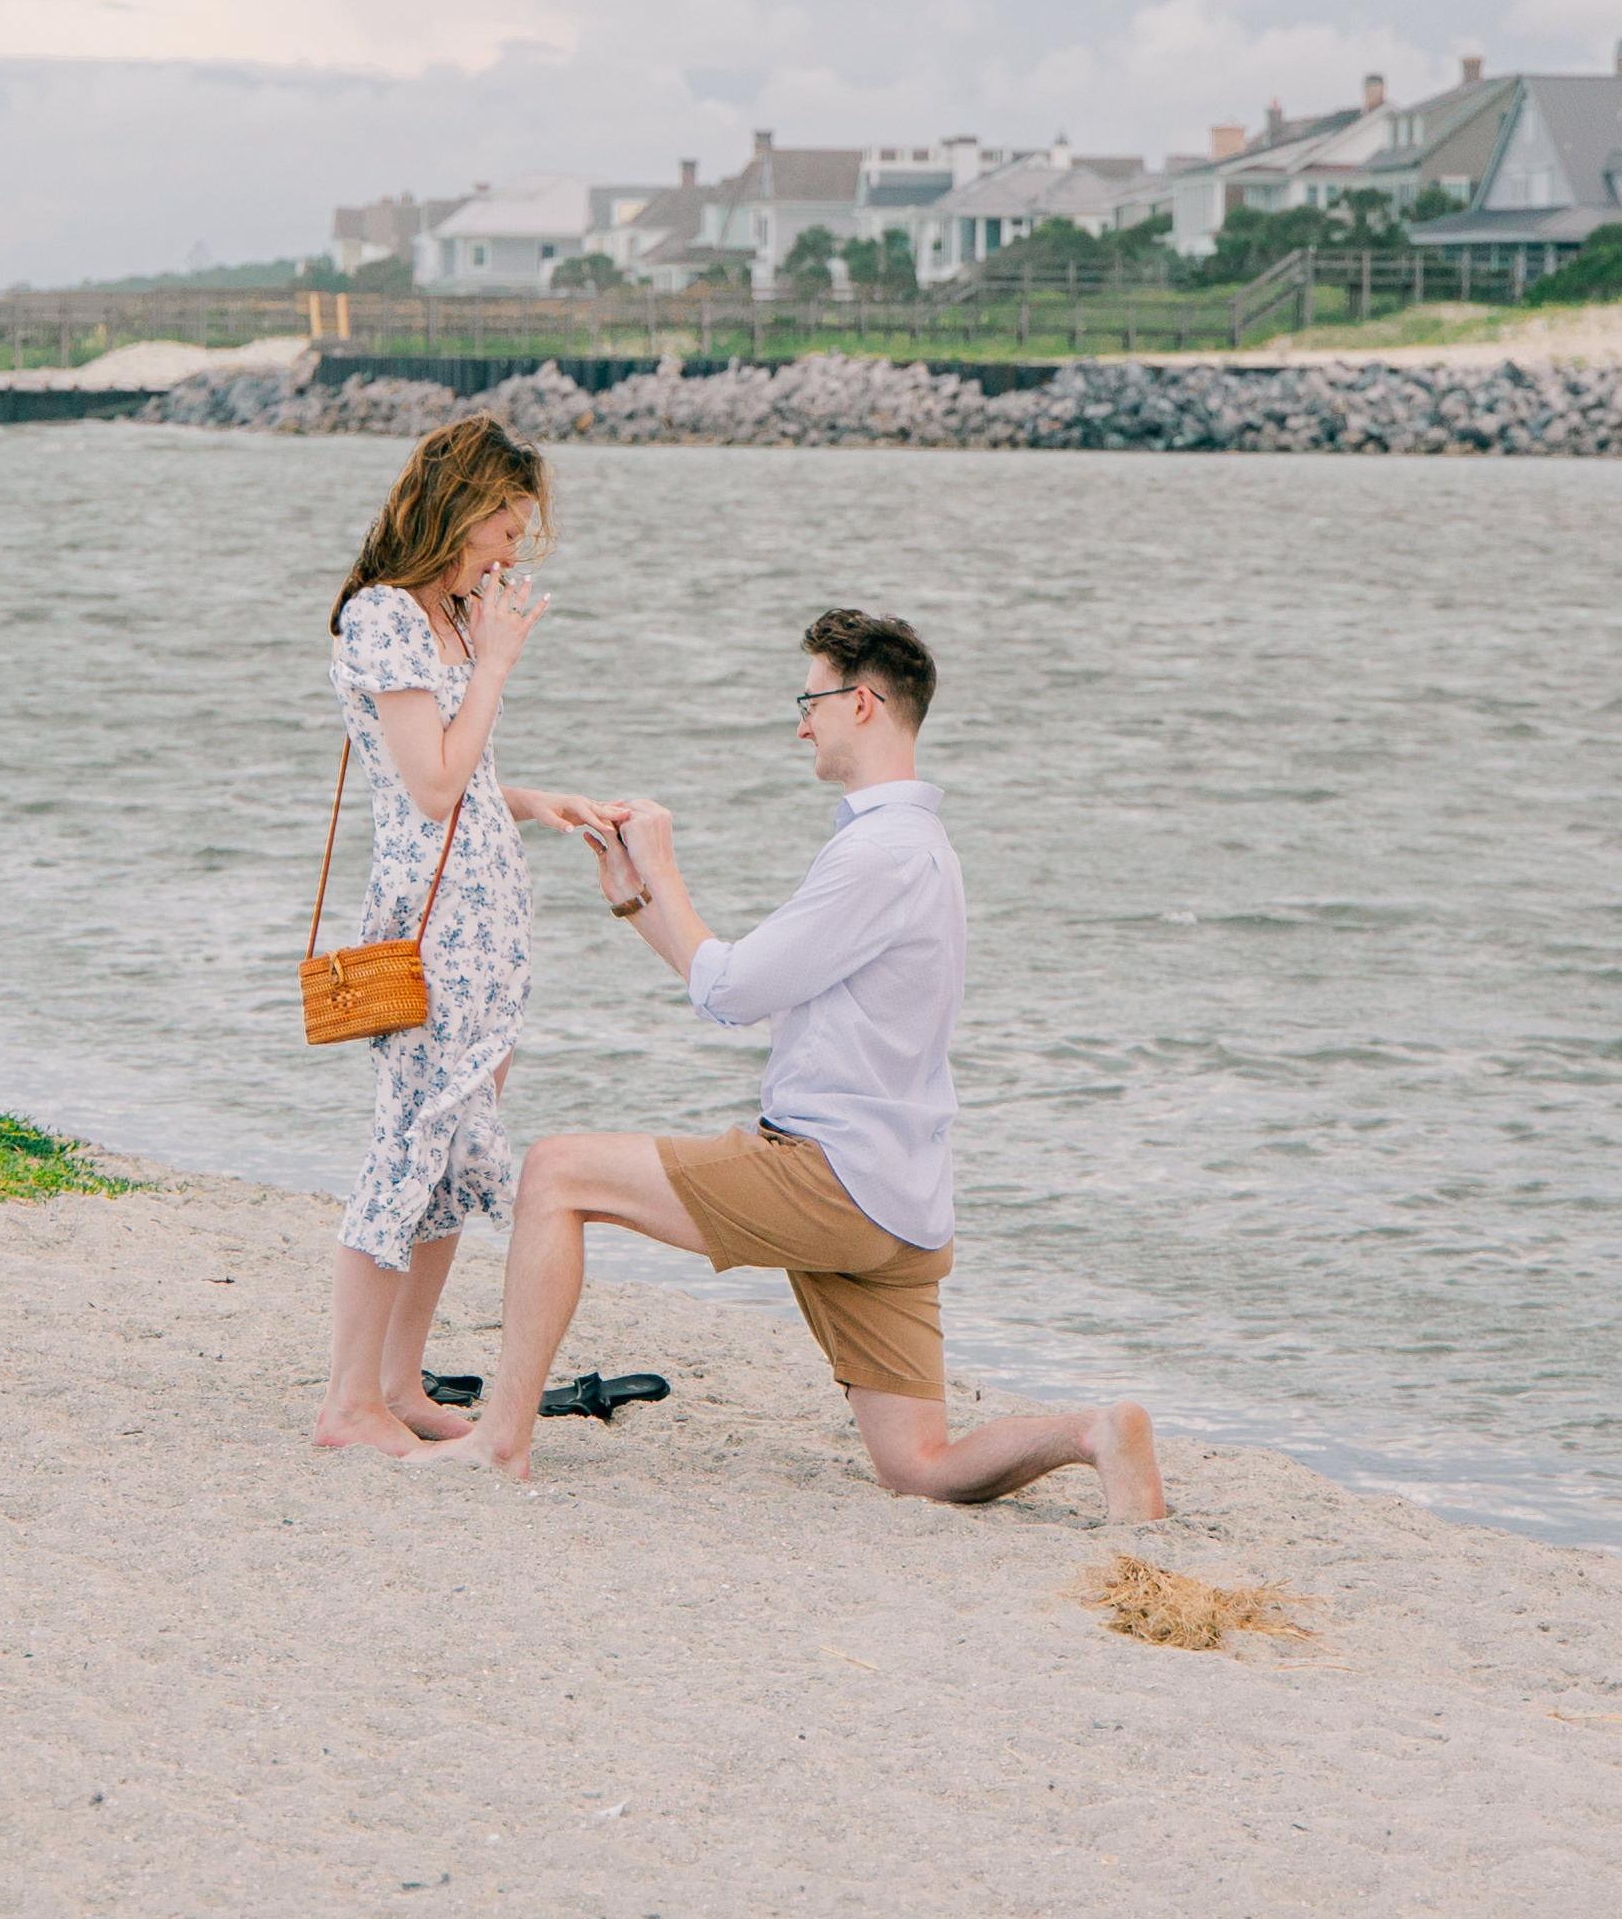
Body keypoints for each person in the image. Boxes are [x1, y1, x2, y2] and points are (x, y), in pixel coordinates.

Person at [421, 602, 1163, 1517]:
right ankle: (1091, 1433)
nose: (799, 720)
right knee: (918, 1465)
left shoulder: (878, 853)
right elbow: (728, 978)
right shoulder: (918, 847)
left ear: (863, 703)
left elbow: (732, 992)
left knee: (555, 1171)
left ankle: (499, 1440)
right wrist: (634, 896)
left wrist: (666, 864)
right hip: (901, 1199)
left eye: (808, 698)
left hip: (829, 1175)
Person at [312, 415, 616, 1458]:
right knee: (404, 1150)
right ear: (456, 506)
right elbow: (431, 788)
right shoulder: (387, 618)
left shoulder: (446, 615)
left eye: (522, 532)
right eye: (502, 525)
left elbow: (465, 775)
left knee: (443, 1159)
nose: (511, 550)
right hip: (433, 928)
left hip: (489, 926)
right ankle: (346, 1403)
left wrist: (535, 800)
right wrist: (494, 665)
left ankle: (398, 1381)